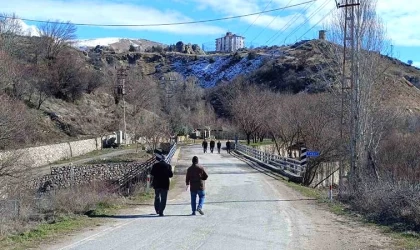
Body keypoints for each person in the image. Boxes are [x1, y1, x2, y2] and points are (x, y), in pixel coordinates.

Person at [150, 152, 173, 216]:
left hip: (157, 184)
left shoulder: (155, 165)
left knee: (157, 197)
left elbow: (152, 173)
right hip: (165, 184)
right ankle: (161, 211)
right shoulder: (168, 166)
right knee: (163, 198)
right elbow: (171, 175)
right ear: (165, 159)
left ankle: (157, 209)